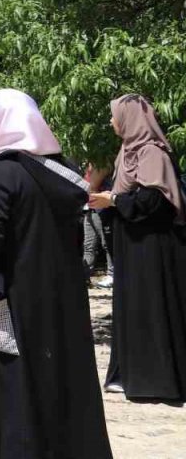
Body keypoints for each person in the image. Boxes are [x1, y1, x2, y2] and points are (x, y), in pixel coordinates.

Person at [0, 89, 112, 459]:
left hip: (16, 305)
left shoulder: (1, 171)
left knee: (19, 392)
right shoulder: (64, 171)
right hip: (64, 303)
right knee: (66, 386)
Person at [89, 94, 186, 402]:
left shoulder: (151, 154)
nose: (111, 121)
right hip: (134, 245)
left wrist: (113, 200)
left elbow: (154, 202)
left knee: (154, 308)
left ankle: (157, 380)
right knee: (134, 308)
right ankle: (130, 374)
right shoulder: (127, 152)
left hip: (155, 248)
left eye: (114, 115)